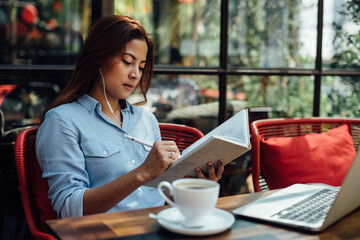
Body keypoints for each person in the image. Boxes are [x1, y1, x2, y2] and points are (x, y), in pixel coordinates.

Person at [36, 15, 224, 218]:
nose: (135, 74)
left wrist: (197, 185)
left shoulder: (146, 120)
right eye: (127, 62)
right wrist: (142, 173)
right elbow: (68, 209)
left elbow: (158, 193)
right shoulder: (62, 121)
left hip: (159, 225)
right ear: (98, 59)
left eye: (141, 67)